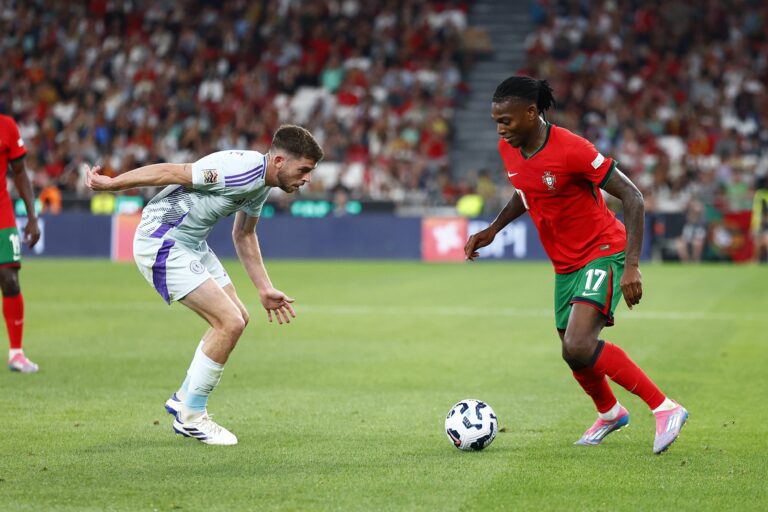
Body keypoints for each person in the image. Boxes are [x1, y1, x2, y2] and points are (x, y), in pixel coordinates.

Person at [464, 76, 688, 455]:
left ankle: (665, 408)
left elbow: (633, 197)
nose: (500, 129)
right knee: (572, 351)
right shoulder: (510, 149)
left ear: (531, 113)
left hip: (603, 249)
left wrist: (632, 265)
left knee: (580, 343)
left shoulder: (572, 149)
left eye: (506, 121)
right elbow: (526, 190)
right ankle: (610, 412)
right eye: (496, 122)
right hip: (565, 264)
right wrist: (494, 229)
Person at [85, 125, 323, 445]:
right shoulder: (236, 171)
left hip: (192, 242)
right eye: (304, 169)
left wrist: (264, 288)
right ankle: (192, 416)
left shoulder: (262, 183)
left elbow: (244, 234)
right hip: (162, 239)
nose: (308, 178)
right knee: (229, 322)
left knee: (239, 317)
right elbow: (173, 171)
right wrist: (113, 184)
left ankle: (184, 398)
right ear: (279, 160)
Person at [0, 113, 41, 373]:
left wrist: (32, 217)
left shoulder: (7, 125)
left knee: (10, 278)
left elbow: (21, 173)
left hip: (1, 212)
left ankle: (16, 353)